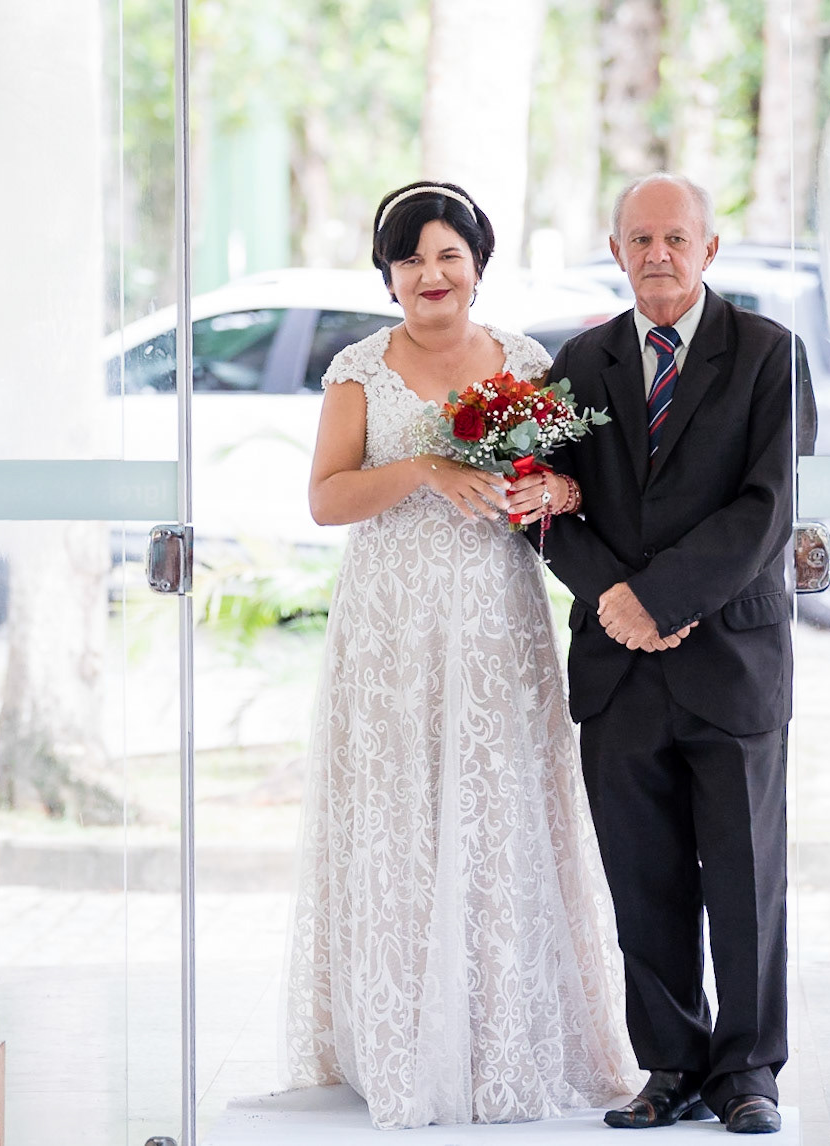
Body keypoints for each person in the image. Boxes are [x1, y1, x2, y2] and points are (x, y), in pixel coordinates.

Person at [285, 180, 637, 1129]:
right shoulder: (360, 367)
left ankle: (499, 1031)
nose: (429, 274)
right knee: (401, 813)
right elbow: (325, 499)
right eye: (410, 259)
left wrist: (552, 487)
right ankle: (401, 1038)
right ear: (388, 275)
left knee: (498, 808)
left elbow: (567, 484)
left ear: (478, 265)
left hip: (494, 615)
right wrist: (424, 471)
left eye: (448, 255)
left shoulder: (526, 362)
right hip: (392, 625)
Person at [507, 173, 817, 1134]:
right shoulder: (579, 366)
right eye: (639, 239)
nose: (658, 255)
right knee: (643, 881)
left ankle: (748, 1073)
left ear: (710, 249)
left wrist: (660, 597)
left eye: (676, 238)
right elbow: (535, 499)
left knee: (744, 876)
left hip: (732, 660)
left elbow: (769, 510)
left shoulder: (771, 355)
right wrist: (611, 596)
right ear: (616, 252)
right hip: (619, 666)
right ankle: (671, 1065)